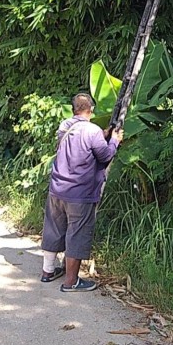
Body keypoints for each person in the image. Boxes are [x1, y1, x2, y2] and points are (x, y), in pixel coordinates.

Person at [40, 92, 123, 292]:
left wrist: (103, 135)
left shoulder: (64, 126)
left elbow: (78, 143)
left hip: (57, 189)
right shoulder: (92, 131)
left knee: (54, 228)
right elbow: (105, 155)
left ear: (73, 109)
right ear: (91, 110)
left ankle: (48, 271)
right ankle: (71, 282)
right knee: (77, 234)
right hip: (79, 192)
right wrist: (114, 140)